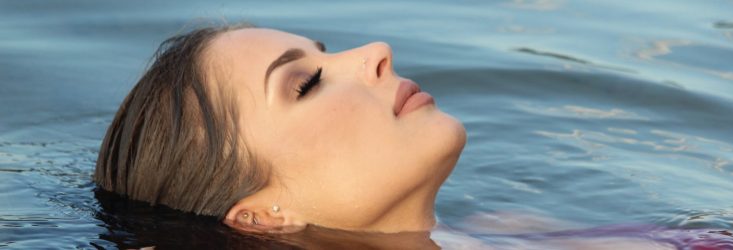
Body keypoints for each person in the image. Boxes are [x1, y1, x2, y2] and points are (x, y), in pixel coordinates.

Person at [93, 24, 467, 234]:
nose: (377, 50)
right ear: (260, 217)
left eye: (327, 53)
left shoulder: (508, 232)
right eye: (308, 84)